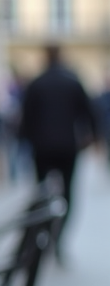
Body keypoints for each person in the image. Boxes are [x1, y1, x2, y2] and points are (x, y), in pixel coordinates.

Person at [18, 44, 99, 259]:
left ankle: (41, 236)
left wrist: (26, 142)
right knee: (67, 195)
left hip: (42, 148)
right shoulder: (72, 82)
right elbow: (89, 112)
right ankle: (58, 238)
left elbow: (25, 119)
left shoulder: (36, 83)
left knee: (41, 193)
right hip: (67, 147)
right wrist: (93, 137)